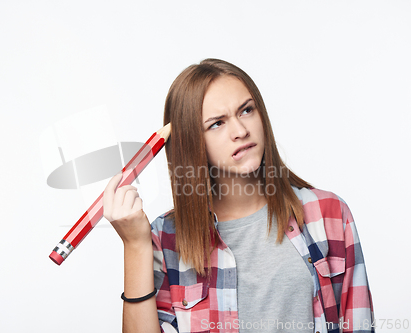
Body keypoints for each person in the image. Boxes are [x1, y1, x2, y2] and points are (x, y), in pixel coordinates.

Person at [103, 59, 374, 333]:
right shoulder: (166, 238)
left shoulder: (327, 213)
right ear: (191, 141)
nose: (241, 131)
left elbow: (359, 324)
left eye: (246, 110)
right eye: (217, 123)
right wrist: (135, 246)